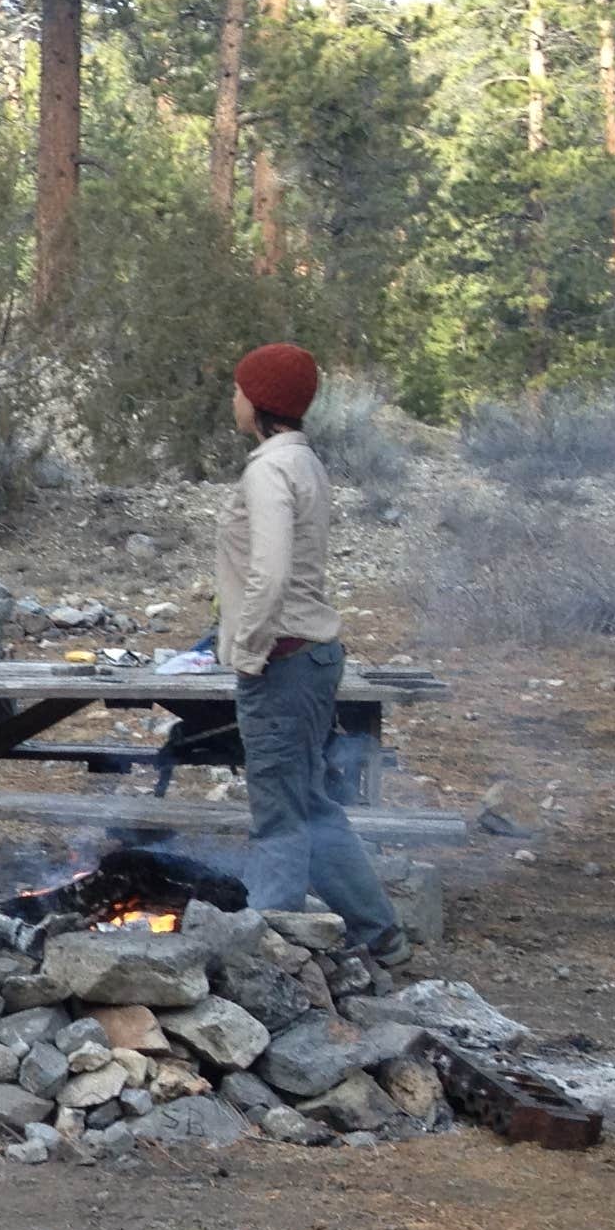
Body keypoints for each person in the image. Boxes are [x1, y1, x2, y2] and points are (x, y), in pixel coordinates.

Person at [216, 343, 407, 958]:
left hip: (283, 657)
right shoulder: (305, 462)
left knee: (278, 811)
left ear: (261, 401)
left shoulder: (269, 470)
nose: (234, 397)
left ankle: (266, 952)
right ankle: (378, 933)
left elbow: (269, 574)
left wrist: (248, 649)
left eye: (241, 388)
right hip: (313, 654)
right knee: (309, 801)